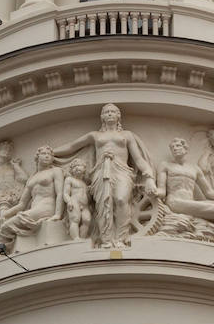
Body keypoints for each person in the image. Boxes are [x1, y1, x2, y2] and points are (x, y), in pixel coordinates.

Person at [52, 103, 156, 248]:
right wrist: (52, 152)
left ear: (118, 116)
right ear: (102, 117)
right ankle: (106, 240)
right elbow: (72, 146)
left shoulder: (126, 135)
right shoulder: (95, 136)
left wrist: (149, 177)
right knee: (103, 205)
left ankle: (121, 237)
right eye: (106, 112)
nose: (110, 114)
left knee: (120, 200)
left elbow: (138, 159)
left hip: (122, 171)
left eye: (113, 112)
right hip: (101, 172)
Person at [0, 146, 64, 265]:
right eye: (44, 153)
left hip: (46, 208)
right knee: (5, 226)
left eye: (49, 154)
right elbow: (22, 204)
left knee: (7, 227)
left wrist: (57, 214)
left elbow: (60, 193)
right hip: (34, 210)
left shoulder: (55, 171)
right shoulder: (33, 178)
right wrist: (6, 213)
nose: (47, 156)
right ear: (37, 157)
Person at [62, 158, 91, 240]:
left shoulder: (84, 183)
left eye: (79, 166)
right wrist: (69, 202)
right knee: (75, 219)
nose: (77, 168)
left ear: (84, 169)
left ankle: (82, 238)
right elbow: (65, 193)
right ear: (71, 170)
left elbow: (87, 196)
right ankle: (76, 238)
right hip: (74, 202)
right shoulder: (69, 179)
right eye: (75, 166)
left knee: (87, 220)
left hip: (85, 205)